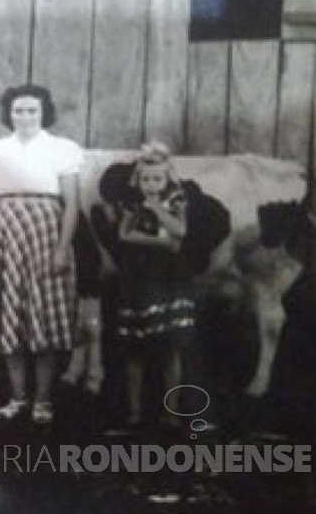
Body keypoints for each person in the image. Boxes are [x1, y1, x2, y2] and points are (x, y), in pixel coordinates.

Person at [0, 84, 83, 424]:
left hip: (46, 230)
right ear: (9, 114)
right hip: (6, 231)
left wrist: (63, 247)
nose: (25, 117)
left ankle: (43, 400)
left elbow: (72, 203)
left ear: (44, 112)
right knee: (10, 316)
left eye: (32, 110)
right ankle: (17, 397)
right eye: (18, 111)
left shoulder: (63, 149)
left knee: (43, 316)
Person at [112, 141, 196, 426]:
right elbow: (124, 234)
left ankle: (171, 411)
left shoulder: (176, 199)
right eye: (146, 179)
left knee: (171, 345)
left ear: (167, 177)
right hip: (139, 276)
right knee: (136, 349)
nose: (151, 184)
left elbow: (180, 232)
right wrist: (158, 240)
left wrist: (157, 210)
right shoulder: (131, 202)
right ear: (138, 178)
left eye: (157, 179)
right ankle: (136, 410)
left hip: (169, 278)